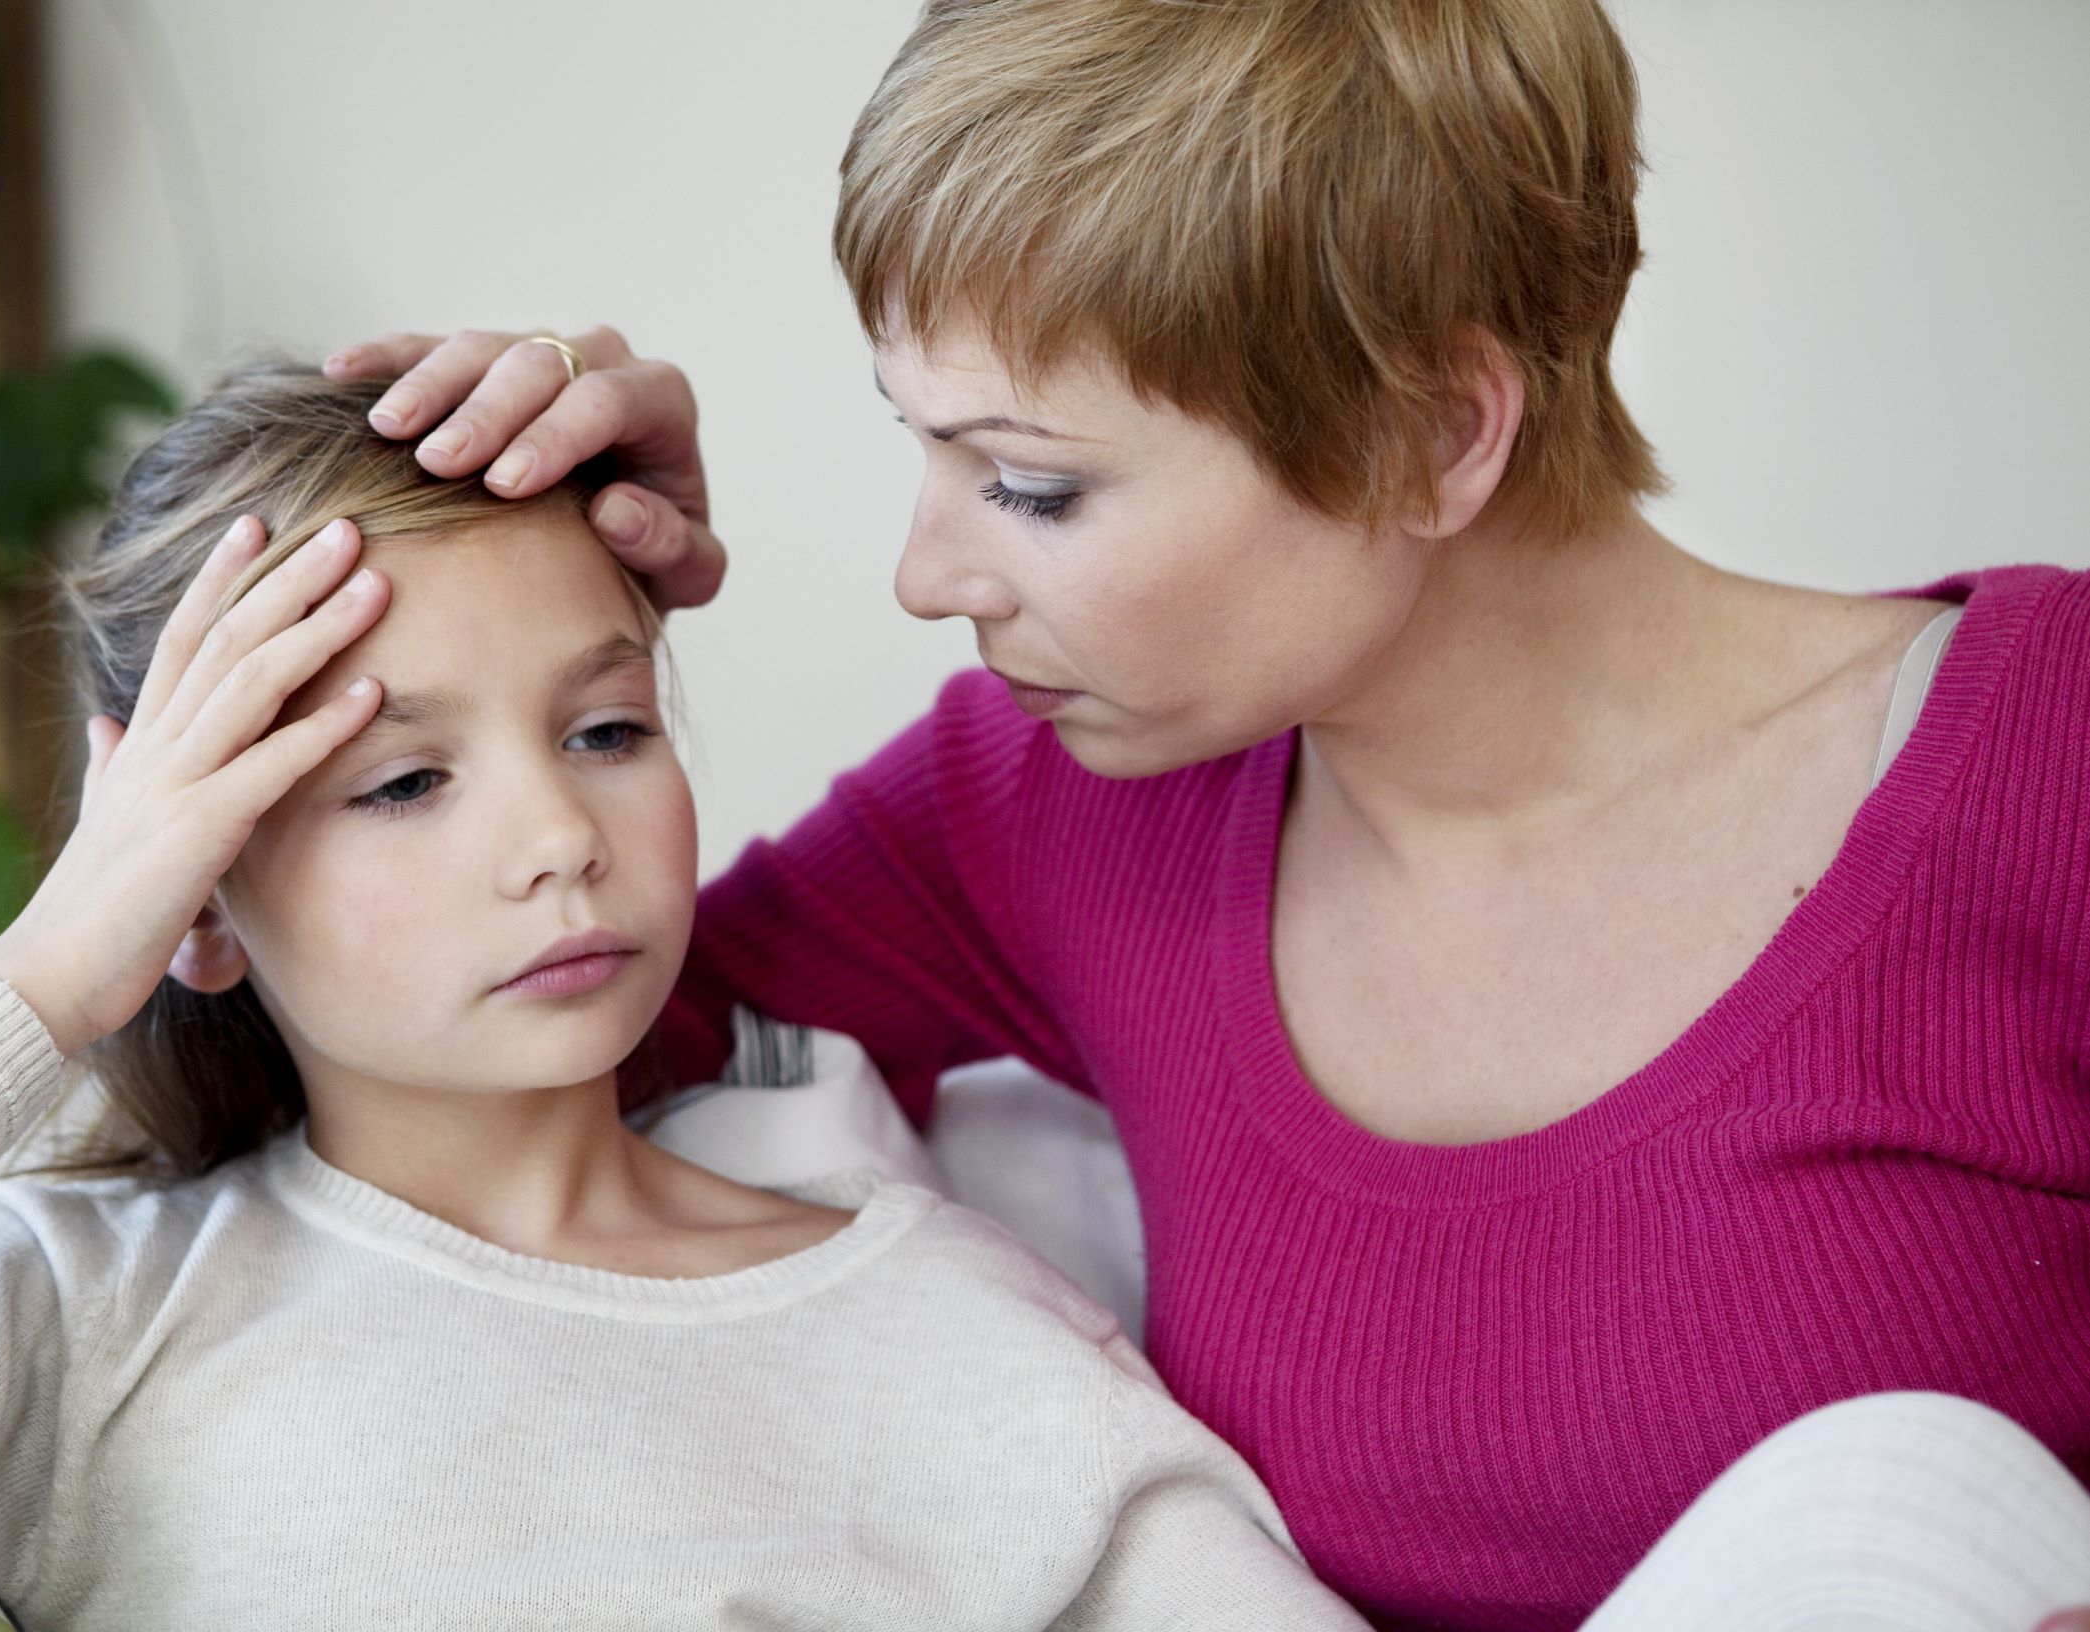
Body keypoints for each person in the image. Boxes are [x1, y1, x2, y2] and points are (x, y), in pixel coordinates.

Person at [320, 0, 2090, 1626]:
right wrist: (525, 597)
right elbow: (397, 1082)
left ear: (1433, 433)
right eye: (921, 448)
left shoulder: (2049, 763)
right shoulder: (1056, 809)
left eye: (1027, 482)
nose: (926, 573)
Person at [0, 364, 1371, 1630]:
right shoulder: (83, 1319)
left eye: (606, 731)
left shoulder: (953, 1330)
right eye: (402, 783)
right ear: (200, 891)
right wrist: (50, 966)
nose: (558, 837)